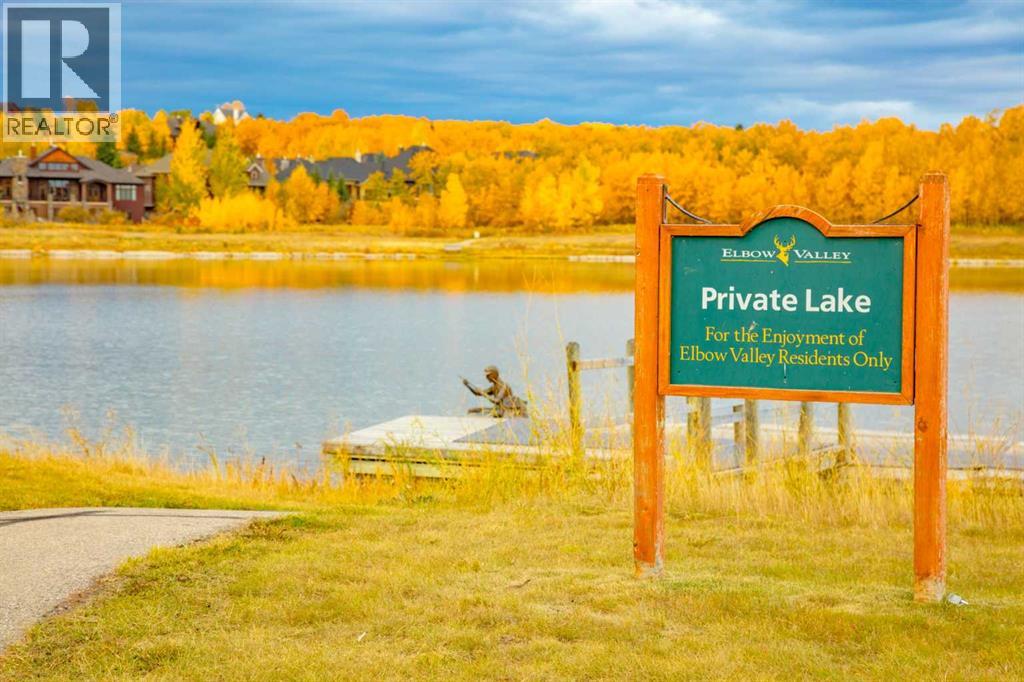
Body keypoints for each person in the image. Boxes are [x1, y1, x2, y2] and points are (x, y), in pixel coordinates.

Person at [462, 365, 528, 417]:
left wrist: (483, 393)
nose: (486, 378)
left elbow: (496, 401)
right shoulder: (494, 387)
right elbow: (477, 393)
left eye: (488, 375)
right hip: (497, 410)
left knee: (478, 413)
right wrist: (468, 385)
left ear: (494, 375)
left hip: (503, 411)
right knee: (471, 411)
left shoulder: (504, 386)